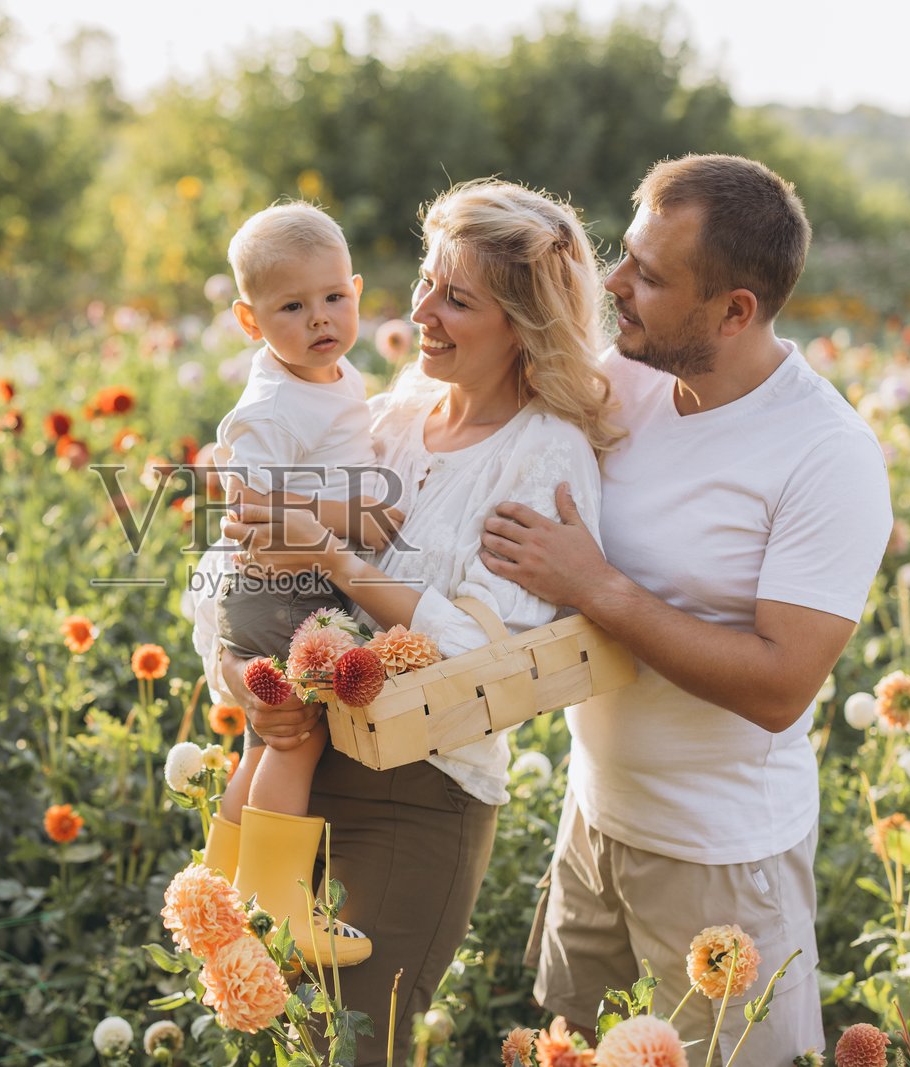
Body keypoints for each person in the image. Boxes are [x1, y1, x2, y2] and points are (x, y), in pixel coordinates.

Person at [189, 178, 622, 1064]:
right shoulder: (382, 418)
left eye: (456, 298)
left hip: (417, 792)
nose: (418, 310)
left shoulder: (544, 456)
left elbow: (486, 655)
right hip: (300, 769)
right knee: (273, 1038)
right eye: (425, 279)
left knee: (354, 1047)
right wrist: (246, 684)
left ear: (523, 326)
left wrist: (337, 558)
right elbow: (221, 568)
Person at [479, 155, 892, 1062]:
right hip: (595, 818)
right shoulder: (623, 380)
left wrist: (597, 587)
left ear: (735, 310)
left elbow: (782, 684)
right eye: (627, 256)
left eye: (650, 277)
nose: (616, 285)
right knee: (572, 1049)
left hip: (719, 861)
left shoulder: (828, 456)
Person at [204, 201, 403, 969]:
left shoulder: (329, 372)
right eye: (292, 307)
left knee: (266, 735)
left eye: (333, 298)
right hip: (277, 588)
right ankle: (282, 898)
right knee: (298, 732)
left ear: (355, 289)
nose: (320, 318)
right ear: (251, 322)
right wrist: (348, 515)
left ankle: (222, 877)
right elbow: (253, 512)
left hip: (290, 584)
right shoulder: (273, 404)